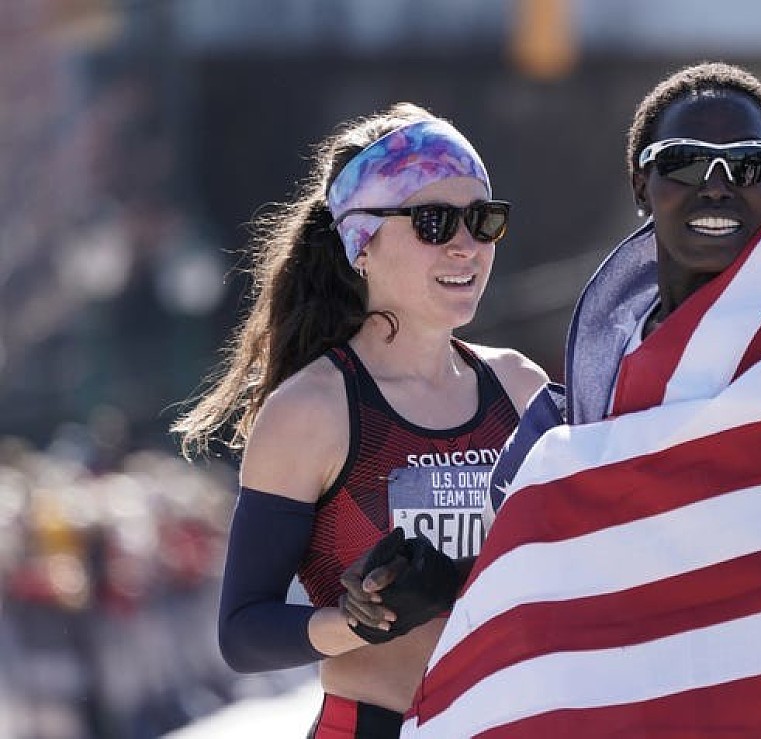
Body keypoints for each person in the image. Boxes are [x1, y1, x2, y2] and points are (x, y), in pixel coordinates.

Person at [389, 62, 761, 736]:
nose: (717, 185)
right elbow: (577, 554)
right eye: (683, 162)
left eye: (749, 165)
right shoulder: (603, 367)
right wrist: (443, 578)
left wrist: (559, 467)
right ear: (640, 185)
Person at [171, 103, 548, 738]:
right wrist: (360, 621)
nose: (466, 245)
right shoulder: (314, 409)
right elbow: (243, 631)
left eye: (483, 220)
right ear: (361, 242)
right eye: (434, 222)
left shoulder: (520, 387)